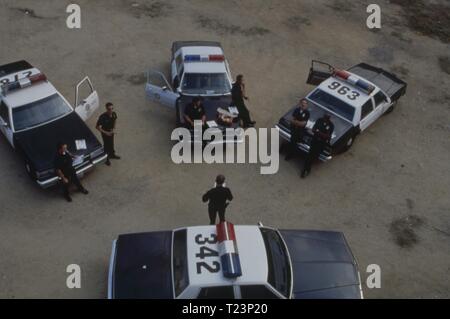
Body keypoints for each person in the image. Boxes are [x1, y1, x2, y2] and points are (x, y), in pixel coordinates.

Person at [301, 113, 334, 178]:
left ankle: (307, 167)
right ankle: (306, 169)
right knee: (309, 155)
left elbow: (328, 136)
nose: (325, 118)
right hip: (315, 141)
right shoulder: (319, 120)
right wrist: (319, 133)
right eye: (325, 116)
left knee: (315, 156)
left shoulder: (331, 125)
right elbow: (313, 129)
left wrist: (319, 132)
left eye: (327, 117)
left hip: (321, 143)